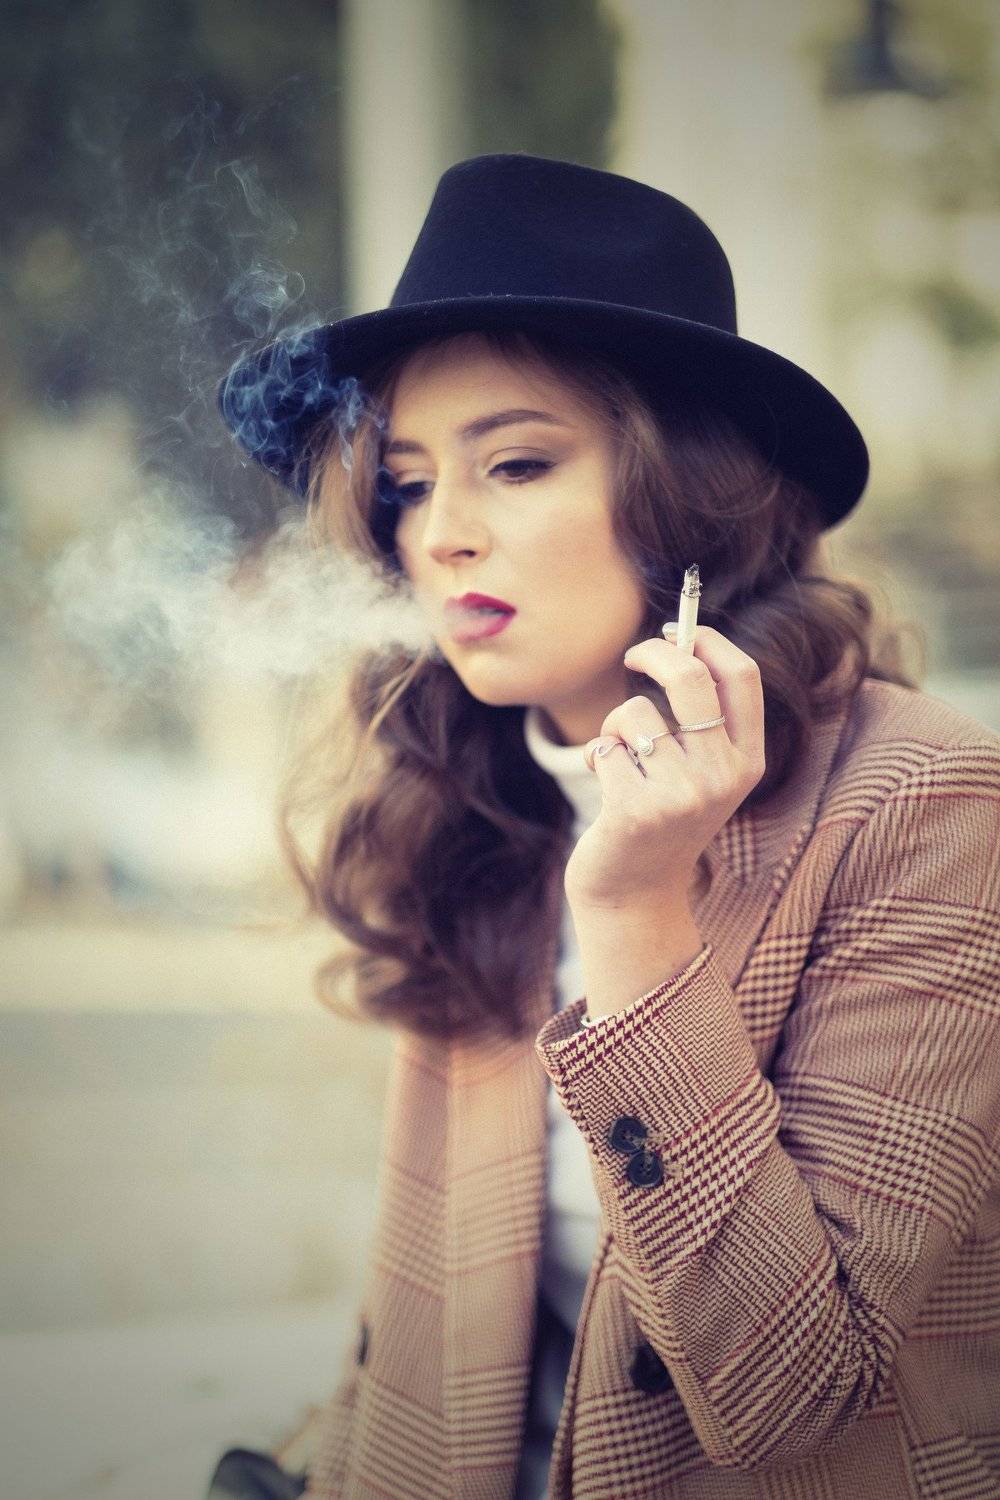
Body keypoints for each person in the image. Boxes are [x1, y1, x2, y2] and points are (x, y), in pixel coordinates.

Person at [217, 155, 1000, 1499]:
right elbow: (429, 1314)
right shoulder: (472, 787)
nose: (442, 536)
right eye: (407, 483)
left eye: (517, 464)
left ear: (684, 496)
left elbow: (793, 1392)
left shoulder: (926, 800)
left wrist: (637, 913)